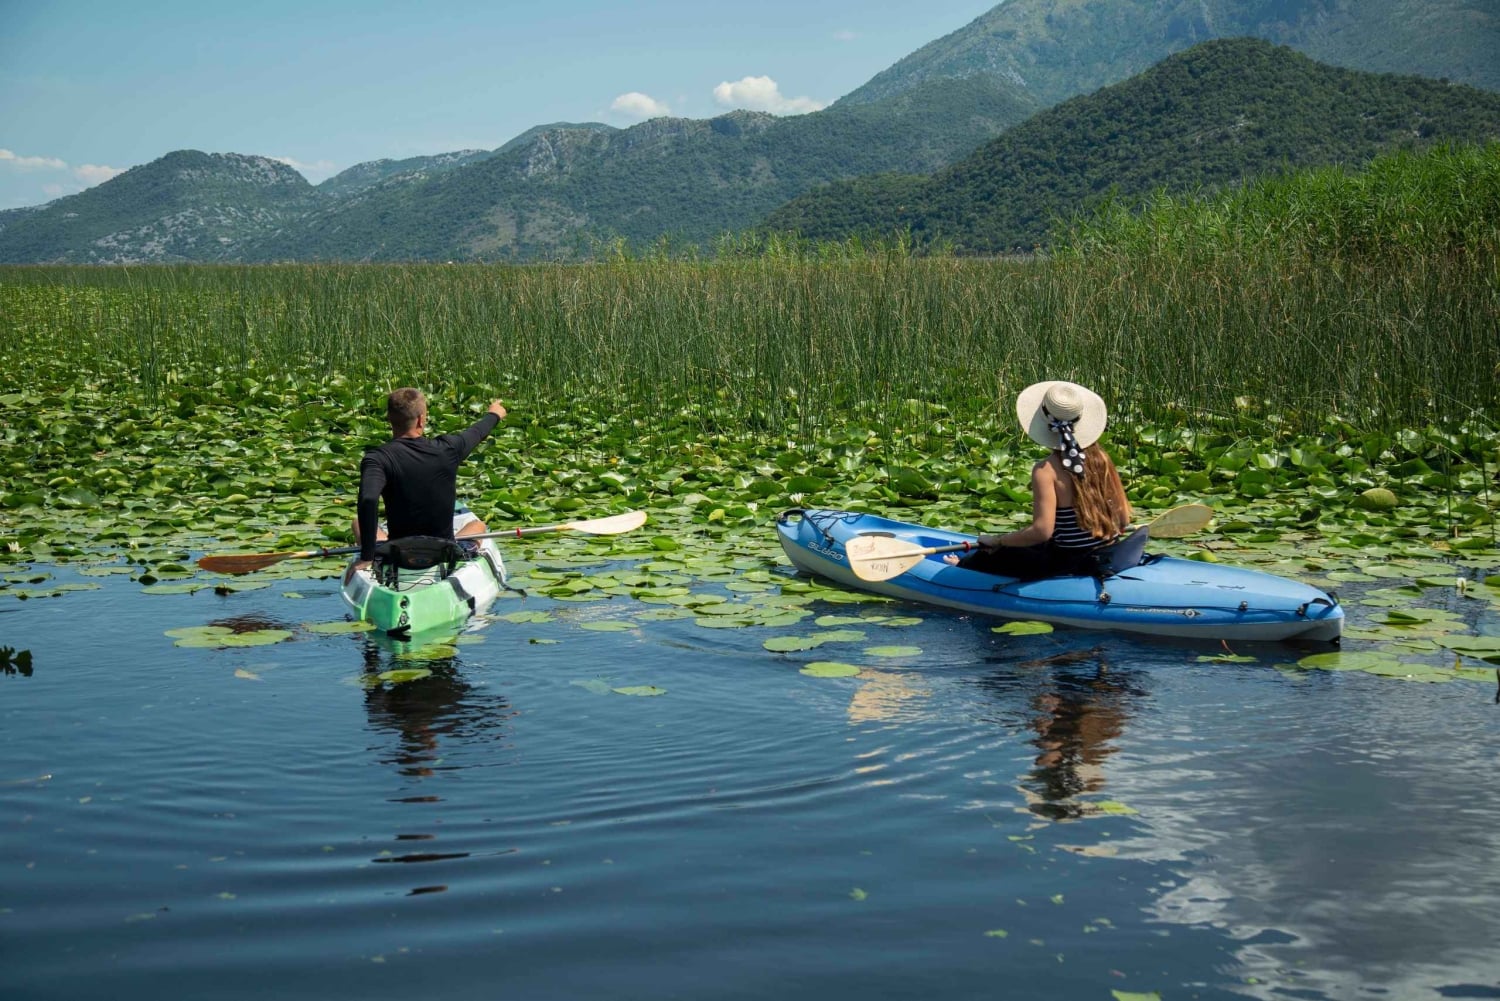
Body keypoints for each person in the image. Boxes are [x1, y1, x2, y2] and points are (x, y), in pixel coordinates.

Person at [944, 380, 1131, 579]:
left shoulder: (1046, 471)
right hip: (1108, 554)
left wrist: (999, 540)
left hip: (1070, 563)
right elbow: (1123, 520)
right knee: (1033, 545)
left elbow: (1042, 531)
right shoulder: (1102, 458)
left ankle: (962, 566)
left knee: (991, 555)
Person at [347, 388, 507, 580]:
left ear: (389, 418)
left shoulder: (377, 459)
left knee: (358, 523)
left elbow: (368, 499)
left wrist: (367, 556)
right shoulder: (449, 448)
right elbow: (477, 431)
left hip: (398, 554)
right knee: (477, 525)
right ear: (421, 420)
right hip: (444, 552)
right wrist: (494, 413)